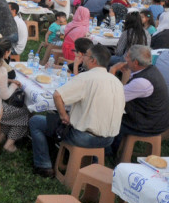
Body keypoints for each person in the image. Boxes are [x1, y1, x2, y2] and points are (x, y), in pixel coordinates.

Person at [28, 45, 125, 178]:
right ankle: (90, 162)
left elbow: (57, 95)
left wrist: (63, 116)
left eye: (85, 56)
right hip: (108, 140)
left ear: (93, 60)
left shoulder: (86, 77)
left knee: (36, 121)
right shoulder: (117, 82)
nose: (82, 58)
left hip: (83, 137)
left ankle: (43, 165)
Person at [108, 45, 169, 160]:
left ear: (135, 62)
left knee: (110, 115)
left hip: (148, 123)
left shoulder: (142, 82)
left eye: (127, 57)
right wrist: (126, 73)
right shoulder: (150, 69)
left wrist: (112, 71)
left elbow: (112, 97)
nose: (124, 59)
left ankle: (108, 152)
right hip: (154, 118)